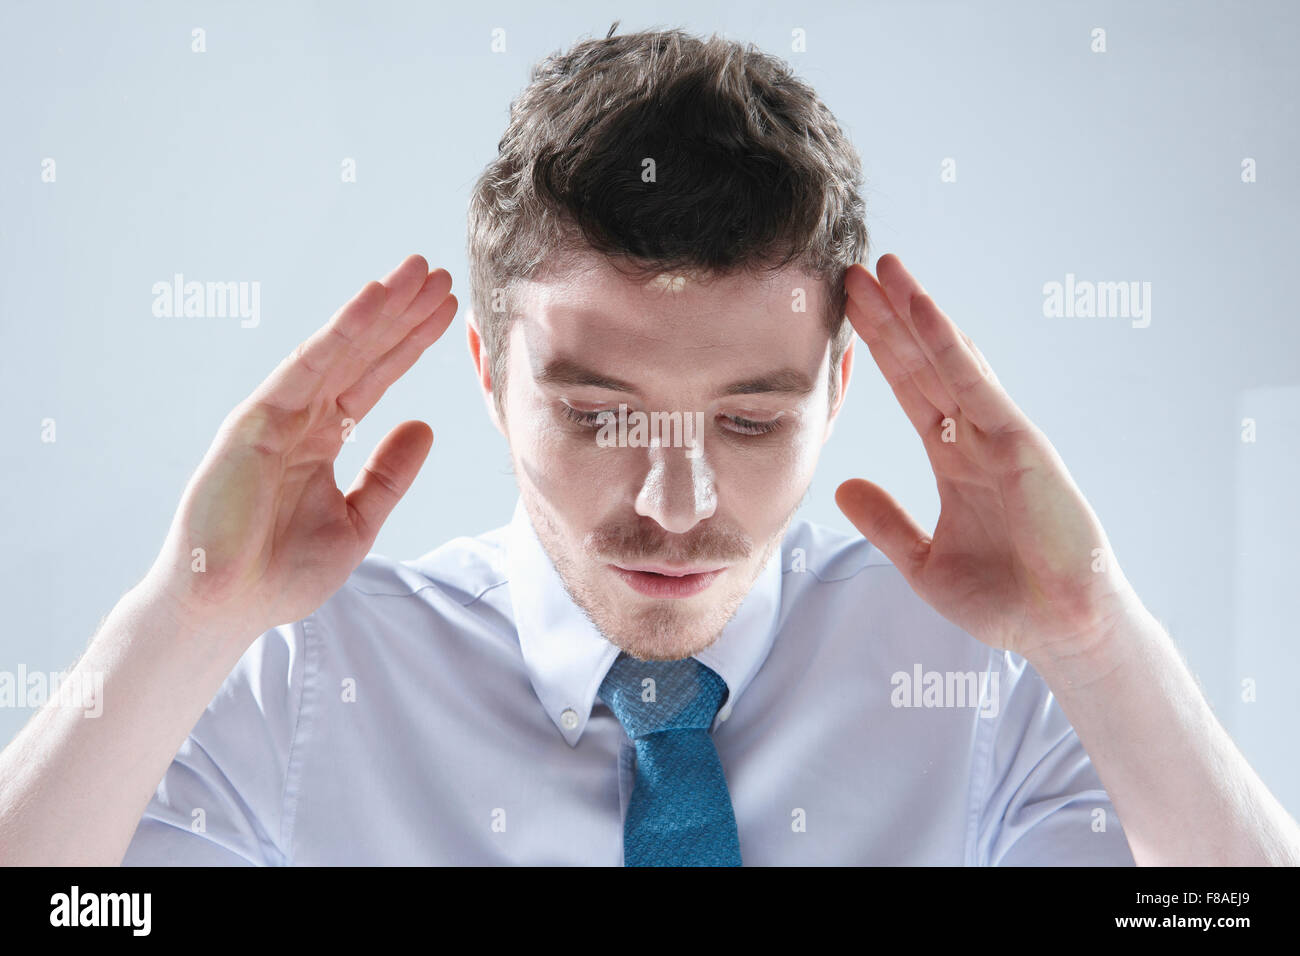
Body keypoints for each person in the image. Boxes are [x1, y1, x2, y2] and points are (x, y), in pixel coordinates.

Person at [2, 23, 1297, 867]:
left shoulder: (989, 691)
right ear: (487, 377)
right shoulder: (311, 685)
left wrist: (1094, 633)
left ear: (841, 389)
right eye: (597, 414)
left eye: (750, 419)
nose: (677, 506)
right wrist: (186, 613)